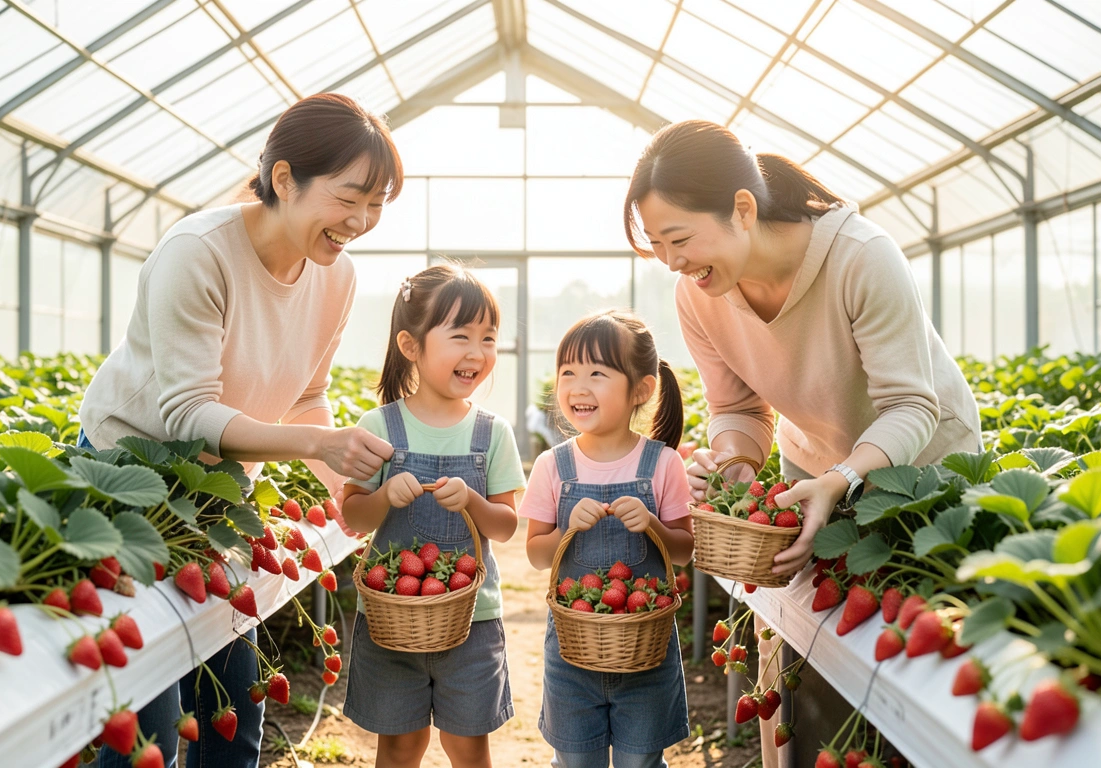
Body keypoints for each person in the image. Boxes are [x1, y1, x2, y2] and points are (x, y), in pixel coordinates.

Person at [624, 119, 981, 767]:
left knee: (908, 662)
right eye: (656, 244)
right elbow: (737, 407)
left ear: (742, 208)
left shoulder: (859, 257)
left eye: (679, 238)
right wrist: (729, 459)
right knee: (792, 654)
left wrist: (843, 481)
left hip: (923, 474)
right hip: (812, 474)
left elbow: (910, 406)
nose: (672, 262)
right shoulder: (697, 295)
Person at [79, 93, 401, 768]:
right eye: (350, 197)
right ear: (284, 180)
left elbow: (307, 396)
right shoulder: (198, 253)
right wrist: (318, 444)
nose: (363, 220)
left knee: (235, 703)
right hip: (127, 482)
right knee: (151, 715)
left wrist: (351, 492)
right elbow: (185, 415)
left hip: (219, 491)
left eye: (377, 203)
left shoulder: (335, 275)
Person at [339, 264, 525, 768]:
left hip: (472, 620)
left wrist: (472, 501)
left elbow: (506, 526)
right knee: (400, 744)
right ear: (411, 344)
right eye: (460, 335)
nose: (477, 352)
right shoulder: (379, 426)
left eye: (488, 338)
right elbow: (353, 514)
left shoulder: (493, 433)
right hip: (390, 621)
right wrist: (383, 499)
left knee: (467, 745)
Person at [522, 310, 695, 768]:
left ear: (641, 388)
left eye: (597, 373)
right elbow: (538, 555)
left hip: (647, 655)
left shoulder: (662, 464)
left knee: (641, 761)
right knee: (576, 762)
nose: (578, 386)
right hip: (572, 655)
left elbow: (683, 552)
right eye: (568, 372)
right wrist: (566, 530)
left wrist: (654, 525)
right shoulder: (552, 466)